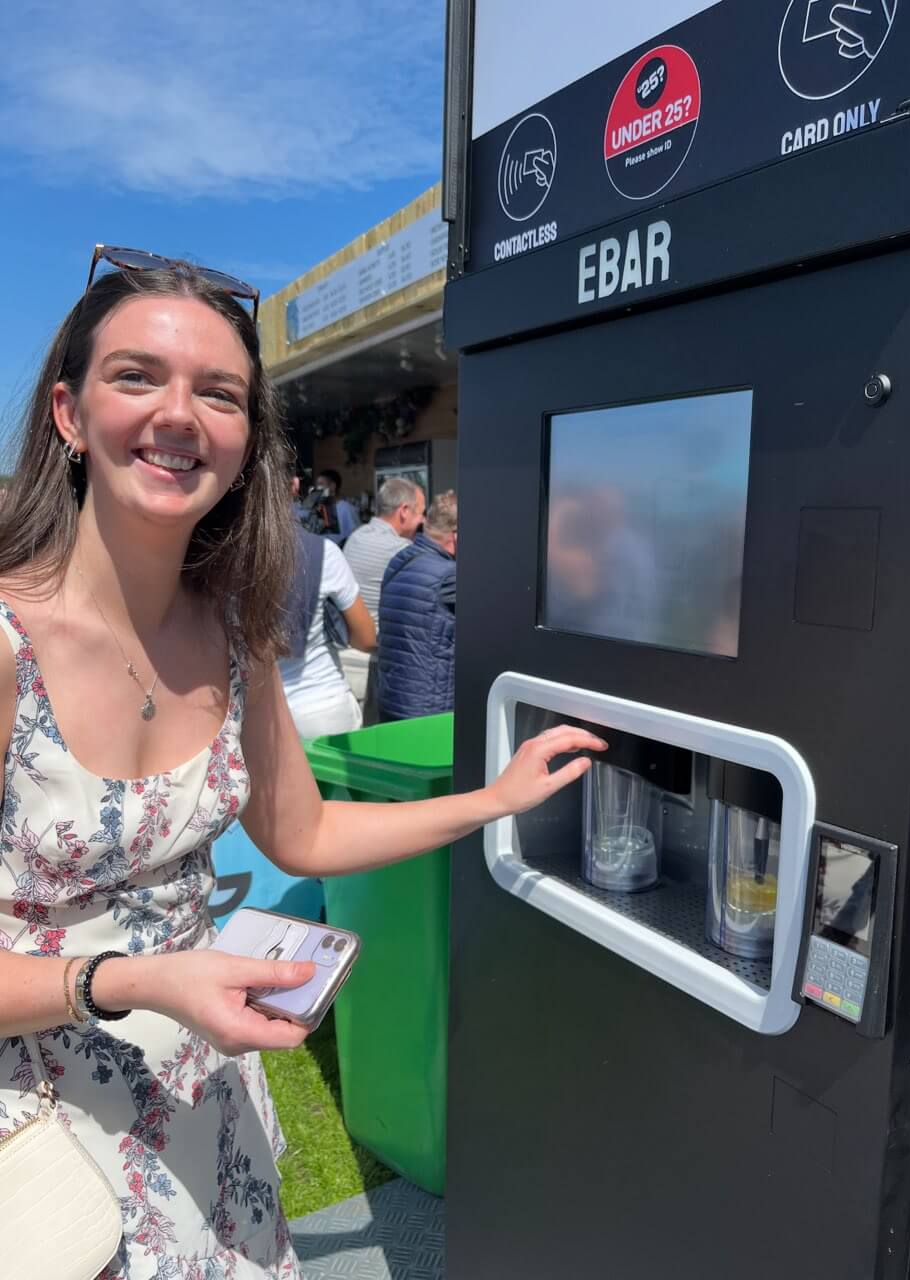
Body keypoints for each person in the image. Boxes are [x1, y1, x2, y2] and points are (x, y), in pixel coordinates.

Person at [0, 250, 604, 1280]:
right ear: (68, 412)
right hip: (47, 1146)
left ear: (247, 441)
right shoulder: (9, 640)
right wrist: (137, 978)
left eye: (220, 392)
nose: (181, 414)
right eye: (138, 376)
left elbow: (307, 831)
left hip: (206, 1106)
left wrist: (492, 800)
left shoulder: (234, 637)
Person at [279, 520, 376, 736]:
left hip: (255, 715)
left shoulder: (218, 556)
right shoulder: (322, 552)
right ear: (294, 486)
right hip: (324, 704)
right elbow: (366, 639)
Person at [341, 476, 425, 718]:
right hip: (376, 660)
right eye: (421, 512)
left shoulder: (357, 536)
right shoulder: (402, 552)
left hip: (349, 652)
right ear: (404, 511)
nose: (423, 520)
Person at [376, 490, 458, 721]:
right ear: (455, 536)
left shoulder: (399, 560)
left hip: (392, 698)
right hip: (426, 709)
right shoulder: (449, 576)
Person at [315, 468, 358, 547]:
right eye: (317, 485)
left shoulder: (346, 508)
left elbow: (354, 536)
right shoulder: (319, 508)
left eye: (321, 484)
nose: (317, 488)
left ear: (332, 486)